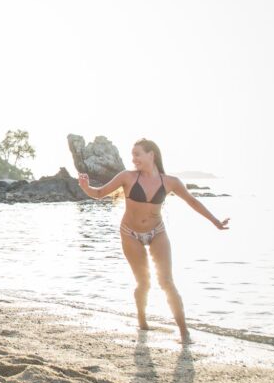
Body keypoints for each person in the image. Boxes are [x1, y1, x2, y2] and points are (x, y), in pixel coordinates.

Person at [78, 138, 229, 344]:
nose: (134, 159)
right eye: (133, 155)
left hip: (157, 232)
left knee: (166, 281)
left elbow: (192, 201)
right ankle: (142, 319)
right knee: (143, 283)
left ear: (152, 155)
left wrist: (215, 222)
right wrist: (85, 186)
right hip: (130, 233)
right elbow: (98, 193)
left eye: (137, 154)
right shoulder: (127, 177)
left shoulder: (170, 182)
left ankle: (184, 332)